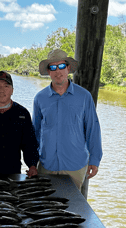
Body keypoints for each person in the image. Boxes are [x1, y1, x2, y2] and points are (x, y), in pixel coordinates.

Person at [33, 49, 103, 191]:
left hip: (75, 166)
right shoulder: (40, 98)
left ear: (68, 68)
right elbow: (35, 132)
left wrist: (95, 160)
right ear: (48, 71)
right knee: (44, 208)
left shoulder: (84, 96)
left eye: (61, 66)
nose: (58, 71)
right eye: (53, 67)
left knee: (71, 209)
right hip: (47, 165)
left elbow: (93, 129)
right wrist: (32, 162)